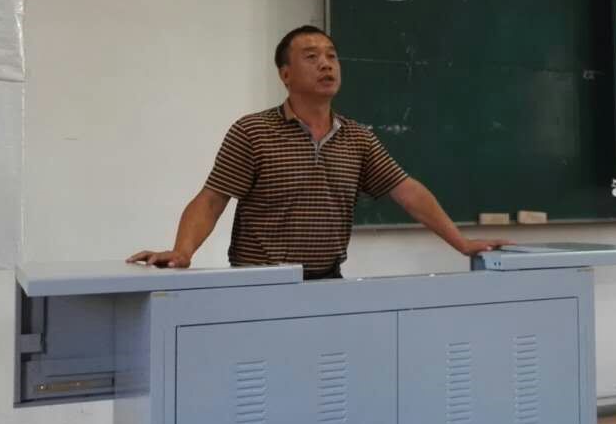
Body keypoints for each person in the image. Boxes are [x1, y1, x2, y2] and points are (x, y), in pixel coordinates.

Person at [128, 25, 509, 278]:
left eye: (331, 56)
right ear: (285, 74)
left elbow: (408, 192)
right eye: (311, 57)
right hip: (260, 281)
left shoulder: (357, 137)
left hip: (328, 279)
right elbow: (213, 198)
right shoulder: (254, 131)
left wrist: (462, 243)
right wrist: (182, 251)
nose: (326, 64)